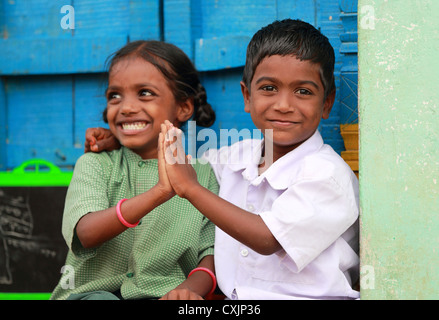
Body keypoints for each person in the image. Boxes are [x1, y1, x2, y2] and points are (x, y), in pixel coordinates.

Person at [87, 19, 360, 300]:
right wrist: (123, 138)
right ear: (246, 96)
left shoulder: (328, 175)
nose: (283, 105)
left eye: (303, 91)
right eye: (268, 88)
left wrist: (192, 188)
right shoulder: (234, 158)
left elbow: (267, 238)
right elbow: (178, 167)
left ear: (326, 103)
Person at [51, 40, 218, 300]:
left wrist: (188, 291)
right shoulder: (95, 163)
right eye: (114, 96)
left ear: (184, 107)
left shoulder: (204, 176)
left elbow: (210, 252)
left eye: (145, 93)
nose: (126, 107)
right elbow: (86, 233)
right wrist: (161, 191)